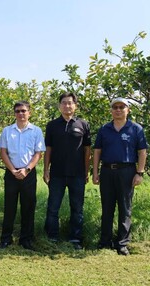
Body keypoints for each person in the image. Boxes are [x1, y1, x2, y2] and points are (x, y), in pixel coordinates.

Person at [92, 97, 148, 256]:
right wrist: (96, 172)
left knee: (125, 208)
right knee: (107, 207)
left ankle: (122, 244)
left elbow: (142, 152)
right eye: (115, 107)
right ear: (111, 110)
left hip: (127, 171)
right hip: (107, 171)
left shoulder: (136, 129)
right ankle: (105, 242)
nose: (118, 109)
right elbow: (97, 152)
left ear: (128, 110)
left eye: (121, 107)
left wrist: (139, 172)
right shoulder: (104, 129)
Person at [43, 92, 91, 250]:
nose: (67, 105)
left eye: (70, 103)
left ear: (75, 105)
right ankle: (52, 237)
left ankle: (75, 239)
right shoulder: (52, 125)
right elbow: (48, 149)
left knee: (77, 208)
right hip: (57, 173)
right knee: (53, 207)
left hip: (77, 174)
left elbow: (87, 150)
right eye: (63, 103)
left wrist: (86, 171)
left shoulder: (83, 124)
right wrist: (46, 169)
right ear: (59, 106)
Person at [0, 101, 45, 250]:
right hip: (11, 173)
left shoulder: (36, 131)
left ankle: (26, 239)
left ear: (29, 113)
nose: (21, 114)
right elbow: (3, 152)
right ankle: (6, 239)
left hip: (28, 174)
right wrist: (12, 170)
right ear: (14, 113)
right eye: (17, 111)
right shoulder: (7, 131)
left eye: (23, 111)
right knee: (9, 207)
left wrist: (27, 170)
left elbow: (38, 154)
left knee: (28, 207)